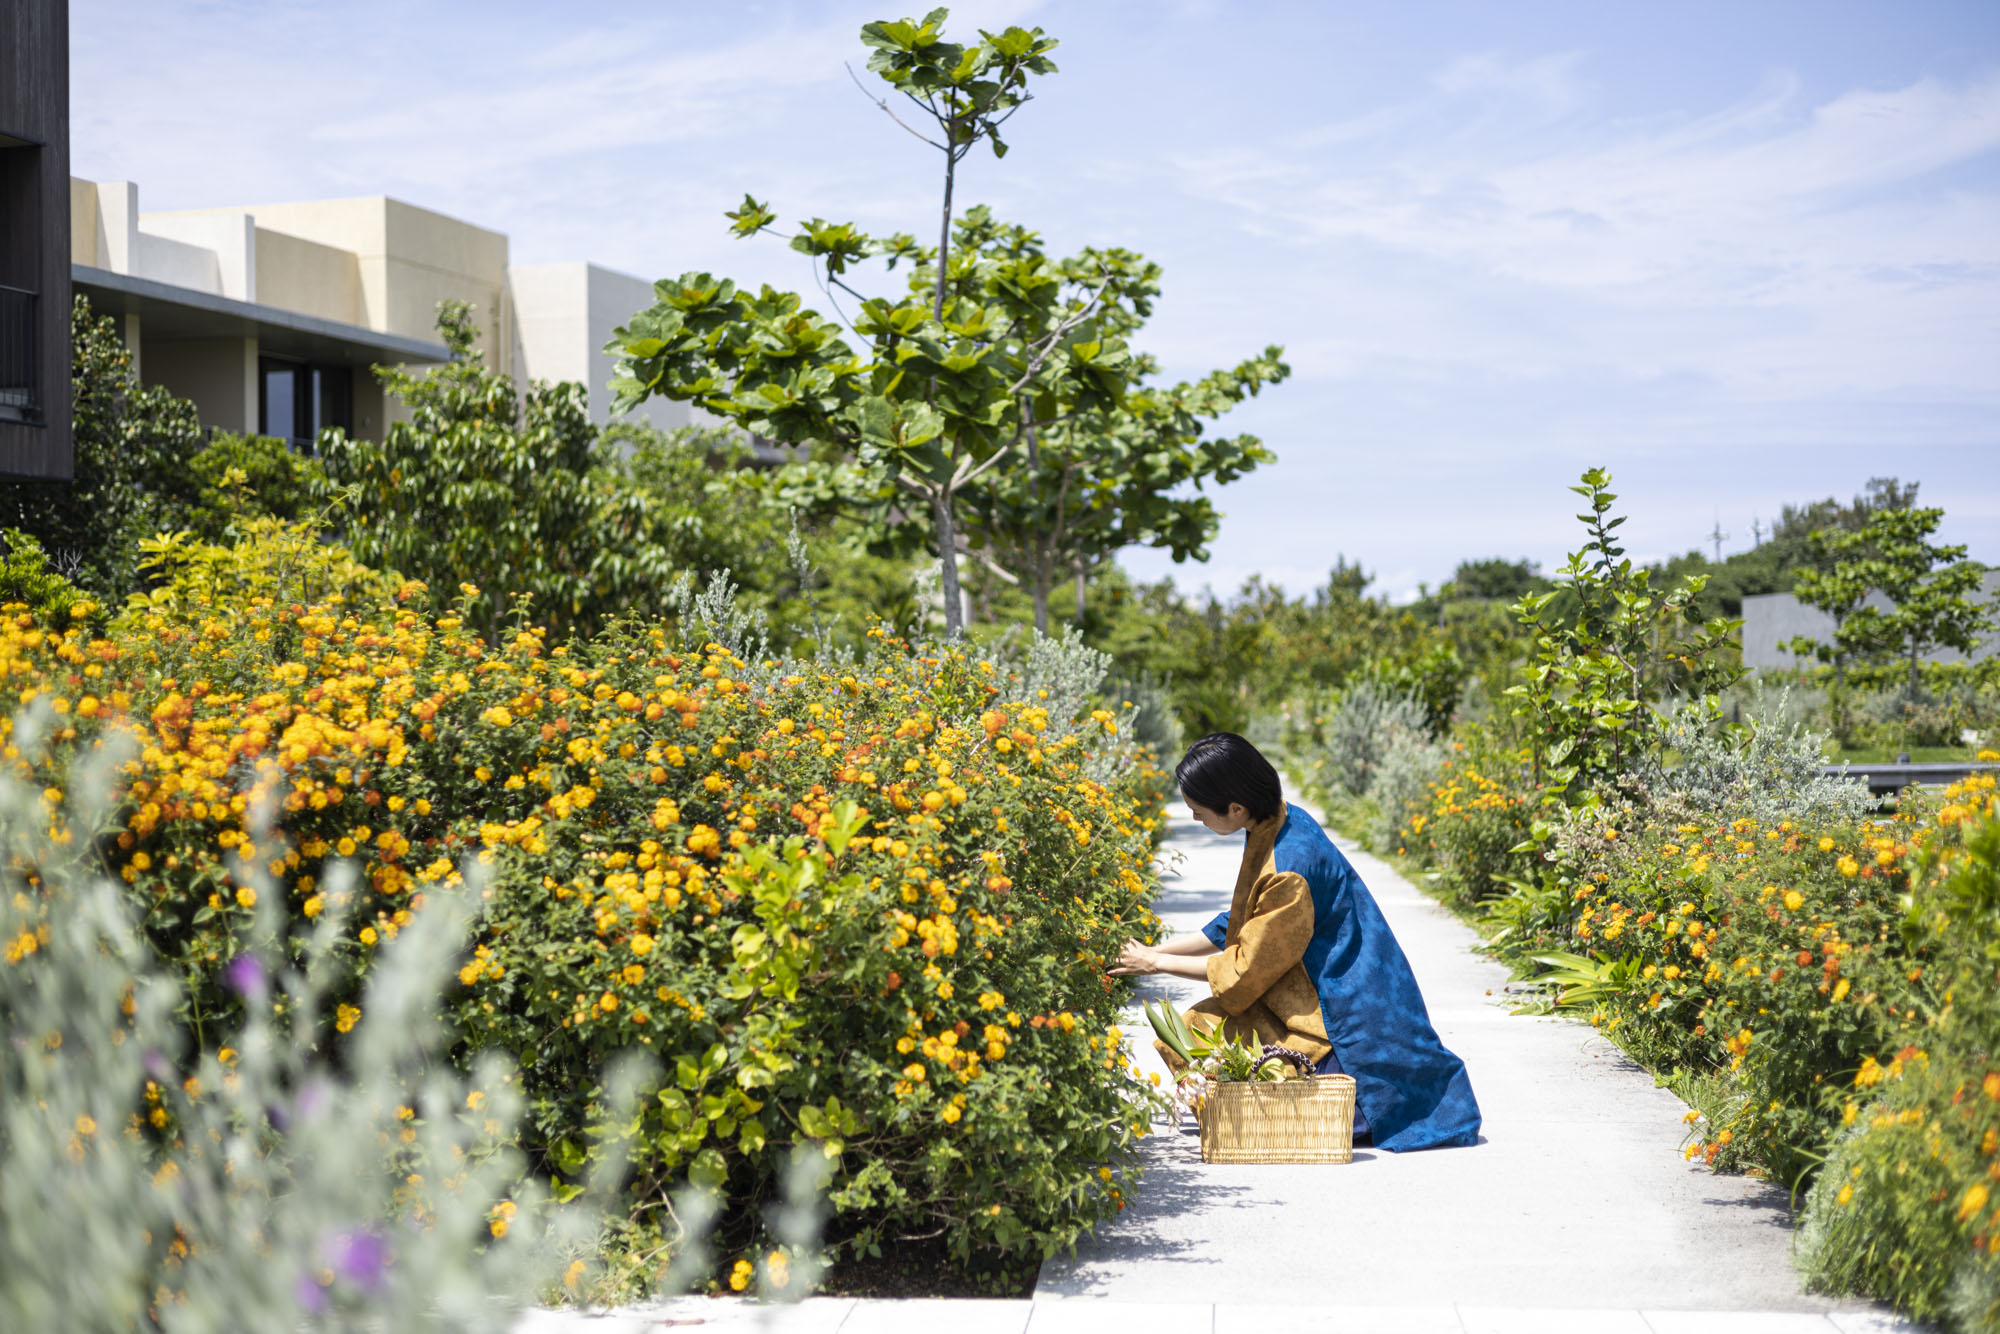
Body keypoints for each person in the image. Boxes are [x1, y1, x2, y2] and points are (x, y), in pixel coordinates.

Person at [1111, 732, 1481, 1152]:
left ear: (1235, 807)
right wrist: (1155, 951)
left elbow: (1243, 970)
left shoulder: (1290, 871)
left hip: (1342, 1006)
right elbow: (1239, 923)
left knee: (1203, 1031)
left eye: (1199, 812)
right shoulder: (1279, 820)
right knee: (1198, 1031)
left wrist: (1155, 965)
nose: (1196, 819)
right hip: (1318, 981)